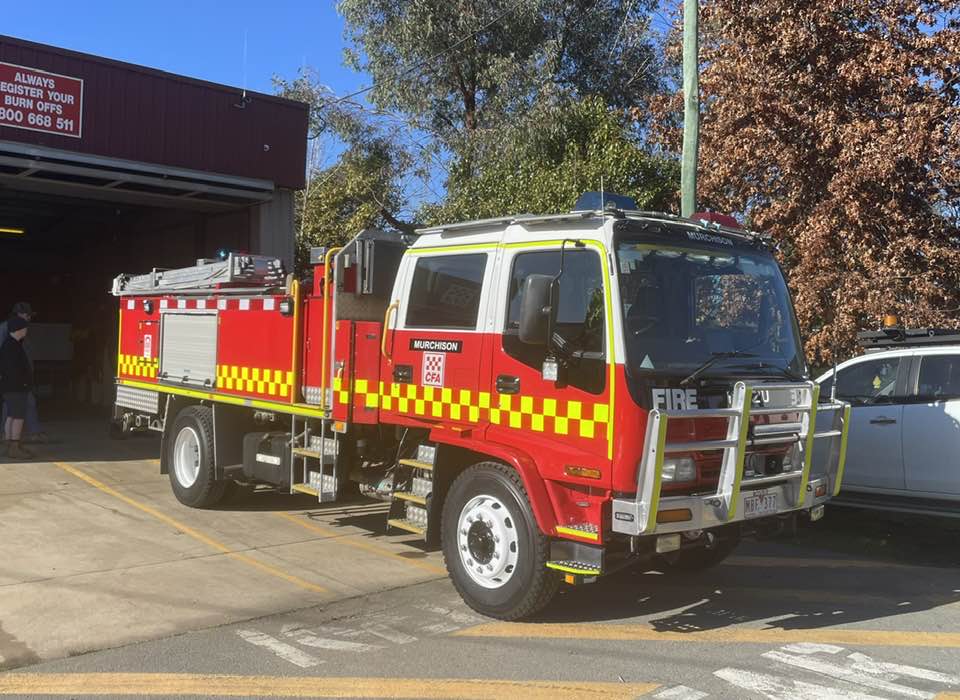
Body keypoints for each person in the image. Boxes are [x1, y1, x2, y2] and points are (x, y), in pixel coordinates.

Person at [0, 302, 46, 443]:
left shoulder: (18, 331)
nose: (29, 319)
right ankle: (14, 440)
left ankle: (12, 438)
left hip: (19, 379)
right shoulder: (7, 330)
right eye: (27, 315)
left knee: (18, 406)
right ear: (19, 314)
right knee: (15, 409)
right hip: (14, 380)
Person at [1, 316, 34, 459]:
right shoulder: (13, 347)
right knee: (19, 417)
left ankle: (9, 445)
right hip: (16, 387)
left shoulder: (9, 345)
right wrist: (24, 383)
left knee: (11, 415)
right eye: (24, 327)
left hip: (9, 387)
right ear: (19, 329)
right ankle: (15, 446)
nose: (26, 330)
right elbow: (14, 369)